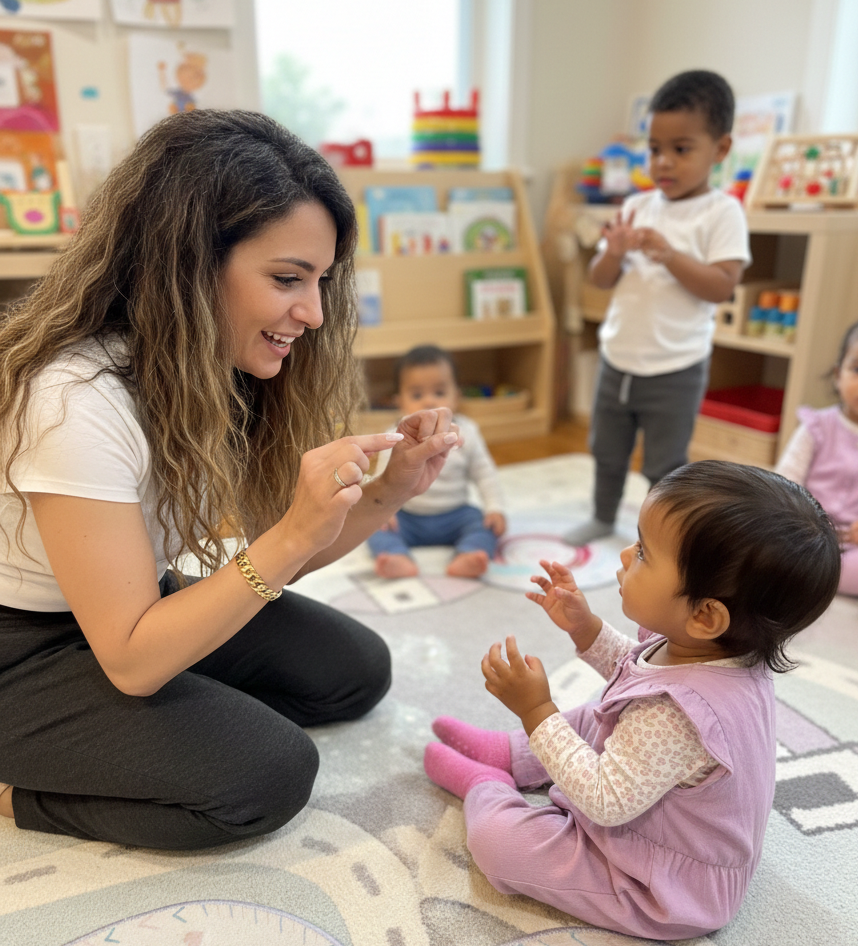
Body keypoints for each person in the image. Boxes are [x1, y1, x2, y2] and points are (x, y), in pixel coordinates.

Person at [0, 109, 463, 851]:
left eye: (321, 281)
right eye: (287, 279)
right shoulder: (73, 399)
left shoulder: (218, 370)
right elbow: (133, 660)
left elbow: (266, 551)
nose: (312, 313)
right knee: (265, 773)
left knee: (353, 672)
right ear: (184, 261)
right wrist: (286, 540)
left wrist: (388, 491)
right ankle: (13, 790)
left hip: (125, 614)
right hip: (23, 648)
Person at [424, 460, 840, 939]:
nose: (624, 555)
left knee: (500, 846)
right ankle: (509, 754)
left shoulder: (676, 716)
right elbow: (635, 673)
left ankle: (486, 784)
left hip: (658, 884)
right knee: (600, 712)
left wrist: (536, 711)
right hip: (656, 807)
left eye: (643, 553)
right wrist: (586, 628)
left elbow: (603, 800)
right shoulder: (712, 651)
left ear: (705, 615)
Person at [565, 70, 751, 546]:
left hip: (675, 367)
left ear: (721, 149)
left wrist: (669, 255)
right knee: (606, 450)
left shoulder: (722, 212)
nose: (663, 162)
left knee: (665, 464)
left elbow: (722, 286)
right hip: (618, 358)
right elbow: (600, 280)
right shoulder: (638, 204)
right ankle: (604, 517)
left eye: (681, 149)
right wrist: (613, 251)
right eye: (654, 149)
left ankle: (659, 538)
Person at [367, 345, 506, 579]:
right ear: (399, 401)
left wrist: (495, 508)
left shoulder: (468, 432)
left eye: (439, 393)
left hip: (456, 515)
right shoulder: (395, 435)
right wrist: (384, 510)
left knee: (485, 524)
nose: (429, 401)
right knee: (373, 526)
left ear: (456, 396)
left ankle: (469, 554)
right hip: (407, 516)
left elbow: (485, 473)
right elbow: (383, 479)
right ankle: (396, 556)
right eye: (417, 395)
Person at [776, 320, 858, 595]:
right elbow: (784, 484)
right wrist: (806, 525)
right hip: (806, 536)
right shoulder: (817, 427)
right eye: (857, 369)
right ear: (838, 375)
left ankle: (818, 576)